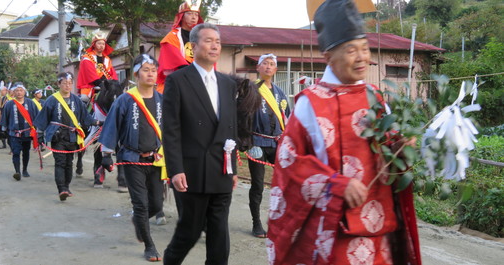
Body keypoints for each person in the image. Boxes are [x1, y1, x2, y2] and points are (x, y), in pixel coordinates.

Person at [266, 1, 421, 264]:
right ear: (328, 57)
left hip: (379, 226)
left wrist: (400, 149)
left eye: (364, 48)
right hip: (332, 230)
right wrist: (335, 183)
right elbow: (288, 163)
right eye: (351, 50)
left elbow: (389, 156)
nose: (362, 57)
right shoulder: (310, 103)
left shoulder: (376, 98)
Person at [162, 23, 239, 265]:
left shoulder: (228, 84)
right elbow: (171, 129)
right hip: (191, 172)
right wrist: (175, 170)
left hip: (221, 169)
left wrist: (233, 168)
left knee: (219, 235)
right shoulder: (178, 80)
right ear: (192, 47)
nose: (215, 45)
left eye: (217, 41)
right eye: (208, 40)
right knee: (190, 232)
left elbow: (231, 127)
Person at [99, 54, 166, 262]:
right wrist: (106, 153)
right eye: (146, 70)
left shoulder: (163, 100)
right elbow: (112, 127)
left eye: (153, 70)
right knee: (141, 204)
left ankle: (139, 221)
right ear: (136, 73)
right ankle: (149, 245)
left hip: (156, 159)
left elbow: (173, 130)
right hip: (131, 157)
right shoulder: (125, 100)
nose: (150, 74)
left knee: (157, 203)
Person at [34, 72, 101, 201]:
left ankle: (67, 187)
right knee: (60, 162)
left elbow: (85, 117)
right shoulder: (52, 100)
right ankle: (61, 188)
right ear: (58, 84)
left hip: (72, 136)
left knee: (69, 163)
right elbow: (43, 118)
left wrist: (98, 122)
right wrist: (40, 133)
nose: (67, 86)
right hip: (57, 135)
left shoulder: (77, 100)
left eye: (70, 83)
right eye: (64, 83)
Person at [247, 53, 290, 238]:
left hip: (276, 142)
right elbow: (242, 117)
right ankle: (256, 223)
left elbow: (287, 117)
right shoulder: (251, 90)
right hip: (256, 141)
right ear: (258, 68)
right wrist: (245, 142)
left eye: (272, 64)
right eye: (265, 63)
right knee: (257, 185)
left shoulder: (280, 93)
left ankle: (281, 220)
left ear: (275, 70)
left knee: (284, 182)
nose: (268, 67)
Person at [156, 0, 203, 94]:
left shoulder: (201, 37)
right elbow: (174, 61)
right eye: (189, 13)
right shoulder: (172, 37)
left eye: (196, 14)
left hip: (198, 79)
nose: (194, 17)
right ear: (181, 16)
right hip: (177, 80)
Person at [0, 83, 39, 181]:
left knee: (26, 152)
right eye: (17, 90)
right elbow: (5, 117)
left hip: (27, 133)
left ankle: (25, 169)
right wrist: (3, 131)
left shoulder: (30, 103)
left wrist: (38, 130)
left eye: (21, 90)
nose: (19, 92)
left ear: (24, 92)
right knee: (16, 152)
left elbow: (37, 116)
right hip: (14, 133)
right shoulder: (9, 104)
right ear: (14, 92)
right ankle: (17, 171)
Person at [77, 33, 118, 103]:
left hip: (106, 86)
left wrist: (114, 83)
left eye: (103, 44)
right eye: (99, 43)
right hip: (90, 87)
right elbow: (90, 75)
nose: (101, 46)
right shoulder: (87, 58)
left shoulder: (107, 59)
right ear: (94, 44)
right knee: (84, 100)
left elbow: (112, 73)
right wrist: (102, 84)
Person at [0, 82, 12, 149]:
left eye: (5, 90)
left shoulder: (8, 98)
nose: (4, 91)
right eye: (3, 90)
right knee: (1, 131)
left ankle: (11, 145)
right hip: (0, 115)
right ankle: (3, 144)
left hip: (6, 116)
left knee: (7, 131)